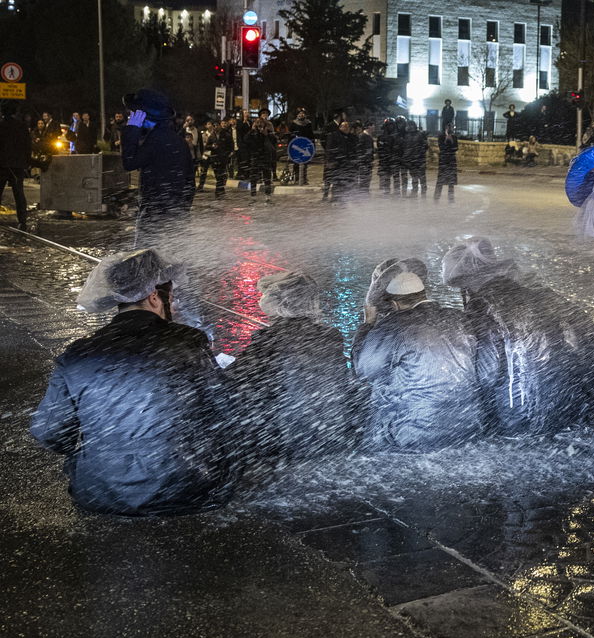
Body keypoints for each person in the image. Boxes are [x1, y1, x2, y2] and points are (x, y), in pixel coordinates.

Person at [29, 249, 237, 516]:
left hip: (99, 494)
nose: (173, 307)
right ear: (153, 297)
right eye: (170, 299)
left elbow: (50, 433)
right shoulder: (187, 340)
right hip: (186, 491)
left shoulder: (77, 353)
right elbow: (223, 408)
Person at [444, 237, 594, 433]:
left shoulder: (481, 307)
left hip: (517, 415)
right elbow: (583, 329)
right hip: (562, 406)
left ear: (467, 279)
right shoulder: (536, 294)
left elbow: (487, 371)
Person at [352, 267, 491, 451]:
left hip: (412, 435)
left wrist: (368, 324)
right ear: (423, 294)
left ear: (395, 305)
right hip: (467, 427)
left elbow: (362, 371)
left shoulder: (393, 326)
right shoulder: (457, 318)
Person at [229, 272, 363, 462]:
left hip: (287, 433)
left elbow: (237, 380)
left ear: (277, 304)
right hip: (328, 429)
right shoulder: (331, 335)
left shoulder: (268, 339)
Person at [120, 90, 195, 243]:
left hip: (154, 217)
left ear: (143, 116)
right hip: (177, 216)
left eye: (134, 114)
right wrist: (182, 210)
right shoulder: (178, 141)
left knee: (146, 260)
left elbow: (129, 162)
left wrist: (132, 130)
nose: (131, 118)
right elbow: (190, 182)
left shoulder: (155, 141)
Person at [1, 101, 29, 228]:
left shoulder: (1, 125)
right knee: (19, 193)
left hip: (2, 165)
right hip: (17, 165)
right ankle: (22, 220)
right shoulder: (22, 126)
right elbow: (27, 146)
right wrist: (26, 162)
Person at [245, 117, 278, 198]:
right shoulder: (253, 133)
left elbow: (274, 141)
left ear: (264, 124)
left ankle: (268, 194)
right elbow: (245, 140)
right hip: (255, 156)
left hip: (266, 156)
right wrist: (252, 130)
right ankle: (253, 194)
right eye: (257, 122)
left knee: (267, 176)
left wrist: (266, 135)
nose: (259, 124)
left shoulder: (268, 132)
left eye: (261, 122)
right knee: (254, 176)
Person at [290, 108, 315, 185]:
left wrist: (312, 144)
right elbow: (291, 134)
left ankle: (304, 178)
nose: (301, 114)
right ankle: (297, 178)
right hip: (296, 145)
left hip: (305, 145)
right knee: (296, 163)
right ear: (297, 115)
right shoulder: (294, 123)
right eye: (300, 113)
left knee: (305, 162)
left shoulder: (308, 123)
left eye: (303, 113)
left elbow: (311, 134)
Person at [434, 126, 459, 202]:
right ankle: (436, 197)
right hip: (443, 161)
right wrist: (446, 140)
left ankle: (451, 198)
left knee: (451, 181)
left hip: (451, 161)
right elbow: (441, 147)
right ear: (445, 129)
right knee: (440, 180)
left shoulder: (454, 137)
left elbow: (456, 148)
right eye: (448, 129)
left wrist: (451, 140)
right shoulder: (441, 136)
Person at [404, 120, 428, 194]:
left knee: (421, 176)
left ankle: (423, 191)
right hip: (412, 159)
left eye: (410, 125)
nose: (409, 127)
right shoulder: (407, 136)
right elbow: (406, 147)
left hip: (419, 159)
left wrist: (419, 154)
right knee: (414, 176)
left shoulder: (420, 135)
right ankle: (414, 191)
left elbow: (425, 146)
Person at [377, 118, 398, 195]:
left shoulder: (396, 136)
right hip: (385, 160)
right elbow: (380, 148)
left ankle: (396, 191)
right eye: (389, 125)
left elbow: (397, 147)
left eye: (392, 125)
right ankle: (386, 190)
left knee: (395, 177)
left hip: (393, 159)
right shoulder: (381, 137)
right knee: (386, 177)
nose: (390, 127)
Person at [355, 121, 375, 195]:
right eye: (373, 126)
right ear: (369, 126)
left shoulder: (369, 136)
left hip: (368, 161)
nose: (374, 127)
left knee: (367, 177)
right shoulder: (362, 136)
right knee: (364, 178)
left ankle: (365, 192)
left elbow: (371, 149)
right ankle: (362, 193)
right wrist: (363, 158)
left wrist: (371, 159)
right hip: (363, 162)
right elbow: (359, 149)